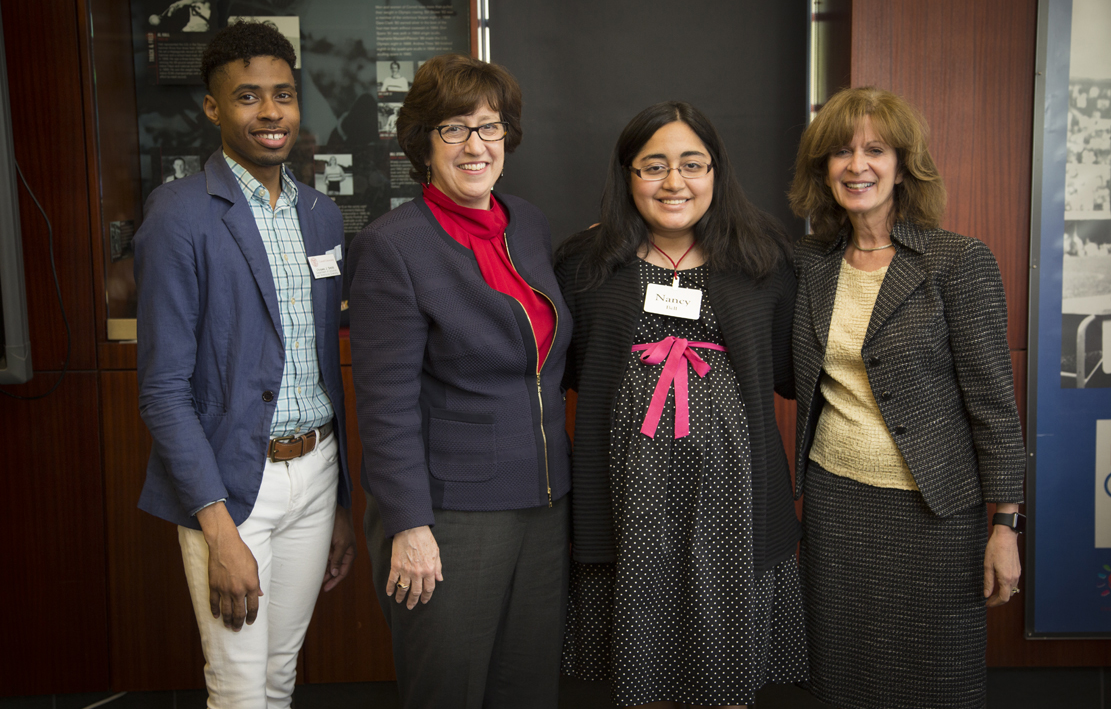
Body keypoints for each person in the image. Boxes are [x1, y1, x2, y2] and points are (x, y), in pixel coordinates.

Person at [556, 101, 808, 709]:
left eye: (692, 165)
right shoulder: (583, 266)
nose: (675, 183)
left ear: (716, 172)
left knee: (725, 674)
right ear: (626, 176)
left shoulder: (765, 262)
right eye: (654, 166)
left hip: (734, 501)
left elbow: (785, 370)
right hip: (628, 503)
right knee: (640, 667)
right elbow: (565, 371)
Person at [134, 21, 356, 709]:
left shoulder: (319, 214)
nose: (270, 113)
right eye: (248, 97)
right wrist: (218, 527)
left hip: (315, 474)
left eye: (283, 95)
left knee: (279, 676)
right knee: (237, 689)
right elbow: (165, 391)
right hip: (232, 486)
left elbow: (322, 362)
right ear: (212, 108)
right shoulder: (178, 215)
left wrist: (341, 501)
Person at [345, 53, 573, 708]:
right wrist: (409, 526)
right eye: (454, 129)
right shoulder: (392, 246)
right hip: (450, 514)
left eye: (490, 128)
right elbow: (385, 405)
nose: (476, 146)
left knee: (525, 688)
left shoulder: (525, 223)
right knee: (448, 688)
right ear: (422, 143)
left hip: (543, 502)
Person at [787, 86, 1026, 709]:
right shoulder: (809, 262)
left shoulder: (958, 262)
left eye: (875, 150)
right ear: (823, 169)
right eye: (840, 151)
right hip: (836, 501)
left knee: (936, 678)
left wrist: (1005, 525)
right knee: (841, 674)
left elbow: (995, 407)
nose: (857, 165)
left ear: (903, 165)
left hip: (935, 513)